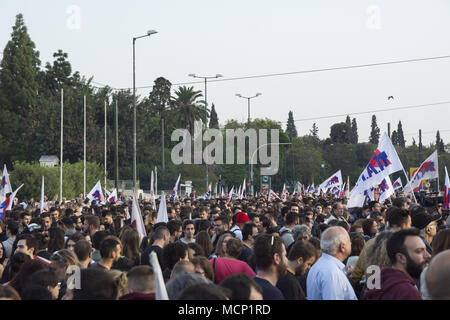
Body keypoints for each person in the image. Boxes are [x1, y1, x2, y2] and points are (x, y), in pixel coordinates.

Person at [364, 229, 431, 300]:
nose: (428, 255)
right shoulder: (407, 291)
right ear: (400, 257)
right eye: (418, 251)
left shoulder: (377, 278)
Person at [307, 226, 356, 300]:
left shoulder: (320, 265)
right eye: (349, 241)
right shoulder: (332, 273)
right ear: (342, 247)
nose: (351, 243)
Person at [252, 234, 286, 300]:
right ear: (277, 258)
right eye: (285, 255)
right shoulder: (273, 295)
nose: (287, 260)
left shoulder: (246, 286)